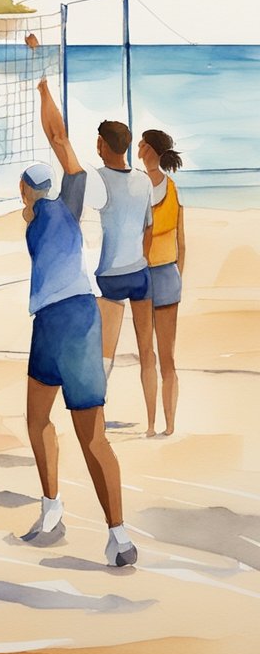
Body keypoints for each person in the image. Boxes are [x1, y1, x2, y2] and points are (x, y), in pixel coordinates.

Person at [16, 159, 137, 567]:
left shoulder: (59, 207)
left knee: (90, 435)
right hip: (56, 321)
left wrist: (47, 93)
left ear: (27, 190)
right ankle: (56, 511)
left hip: (69, 321)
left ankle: (115, 534)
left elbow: (66, 153)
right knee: (40, 420)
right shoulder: (53, 212)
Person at [35, 76, 154, 405]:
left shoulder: (98, 180)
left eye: (98, 142)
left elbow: (60, 142)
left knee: (104, 354)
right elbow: (148, 230)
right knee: (147, 350)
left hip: (112, 274)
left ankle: (96, 409)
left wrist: (45, 93)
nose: (97, 146)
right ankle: (153, 422)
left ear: (104, 144)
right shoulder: (144, 182)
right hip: (140, 273)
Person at [139, 129, 185, 436]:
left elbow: (178, 236)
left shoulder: (141, 186)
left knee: (153, 355)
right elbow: (181, 241)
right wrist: (177, 272)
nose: (138, 147)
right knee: (161, 356)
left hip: (150, 274)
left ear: (151, 151)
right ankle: (162, 424)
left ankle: (158, 424)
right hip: (165, 274)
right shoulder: (167, 187)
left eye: (142, 144)